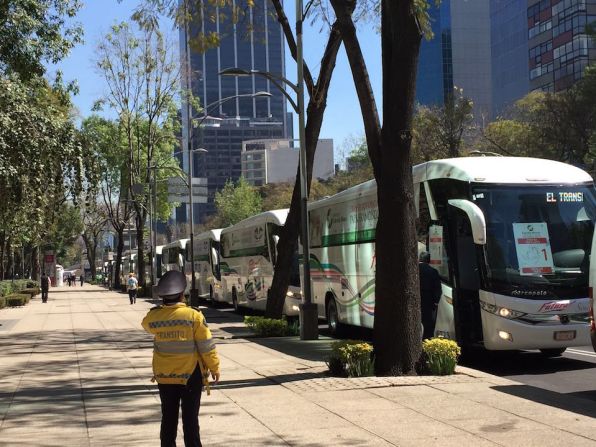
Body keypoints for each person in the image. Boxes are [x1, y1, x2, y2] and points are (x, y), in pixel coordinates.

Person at [142, 270, 220, 447]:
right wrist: (214, 367)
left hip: (164, 374)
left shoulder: (154, 317)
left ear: (163, 297)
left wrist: (161, 310)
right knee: (190, 419)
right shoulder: (194, 316)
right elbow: (206, 345)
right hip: (190, 375)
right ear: (181, 294)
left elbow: (146, 324)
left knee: (168, 417)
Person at [419, 251, 442, 339]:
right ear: (429, 261)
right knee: (428, 323)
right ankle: (426, 340)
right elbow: (437, 288)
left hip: (415, 300)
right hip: (428, 301)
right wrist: (436, 302)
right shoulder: (433, 271)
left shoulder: (412, 271)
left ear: (419, 259)